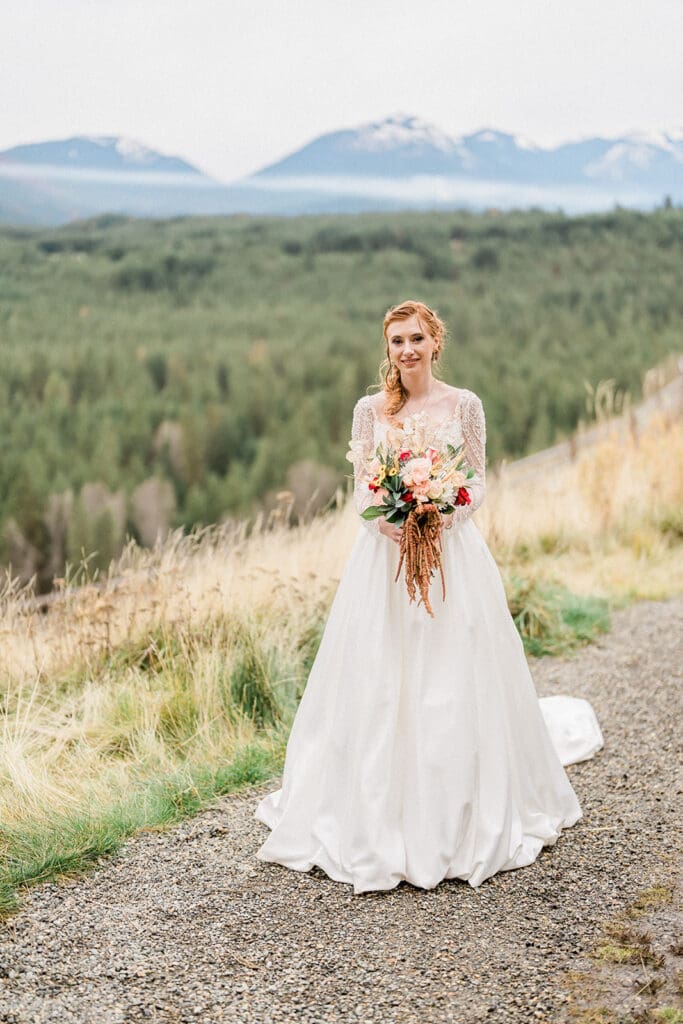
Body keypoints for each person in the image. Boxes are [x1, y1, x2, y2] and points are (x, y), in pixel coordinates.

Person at [254, 299, 603, 895]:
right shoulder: (370, 411)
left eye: (416, 338)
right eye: (396, 342)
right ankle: (375, 807)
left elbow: (479, 480)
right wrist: (385, 521)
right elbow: (364, 488)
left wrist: (444, 511)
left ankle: (458, 807)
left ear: (435, 342)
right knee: (378, 675)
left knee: (454, 672)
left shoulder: (464, 405)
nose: (407, 350)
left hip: (451, 558)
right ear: (386, 349)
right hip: (383, 564)